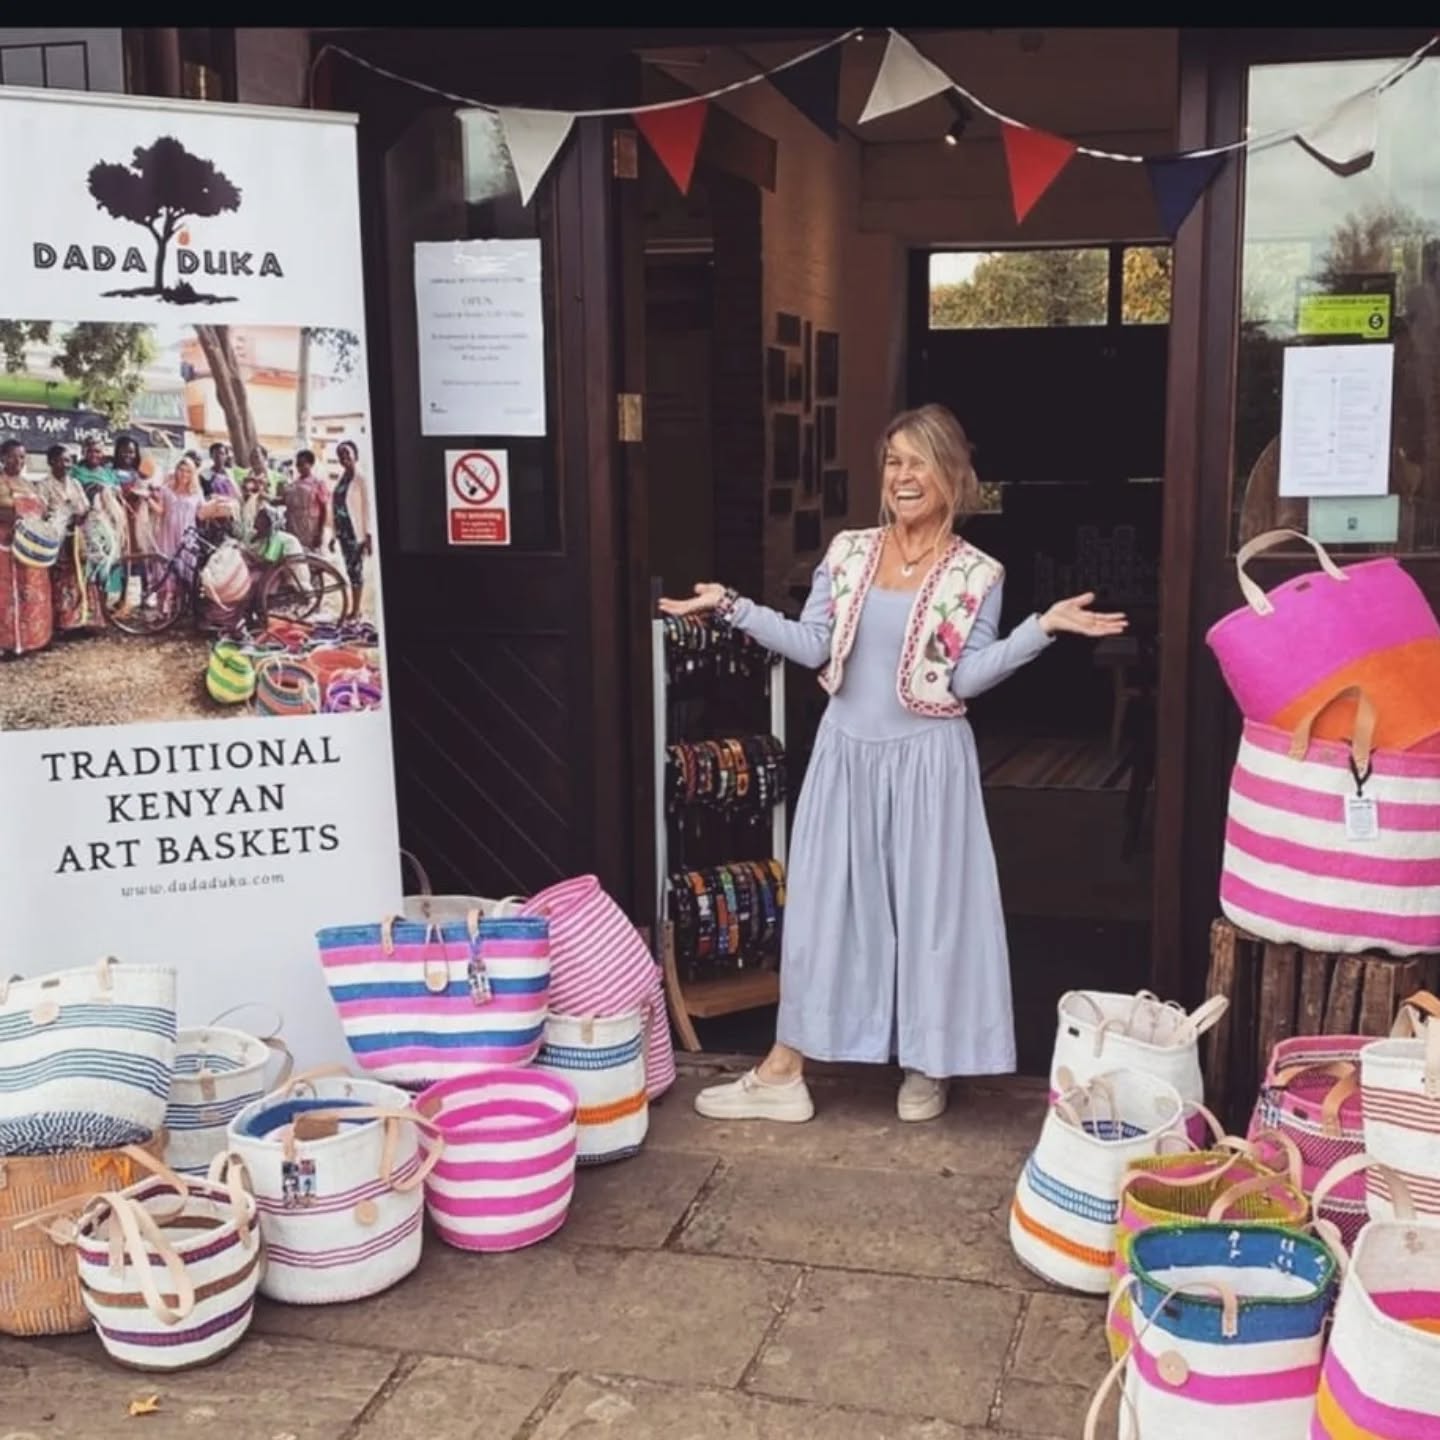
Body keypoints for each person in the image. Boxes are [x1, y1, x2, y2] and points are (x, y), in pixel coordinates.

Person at [660, 404, 1127, 1125]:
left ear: (953, 475)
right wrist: (732, 607)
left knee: (930, 911)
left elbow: (965, 677)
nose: (903, 476)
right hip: (846, 755)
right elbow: (813, 644)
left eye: (919, 462)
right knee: (823, 910)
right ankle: (785, 1069)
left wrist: (1040, 630)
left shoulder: (977, 572)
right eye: (893, 462)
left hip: (929, 761)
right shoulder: (849, 552)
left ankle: (928, 1061)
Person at [37, 445, 102, 634]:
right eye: (62, 460)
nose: (66, 465)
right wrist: (62, 517)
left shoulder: (75, 484)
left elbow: (85, 507)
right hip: (57, 540)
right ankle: (64, 623)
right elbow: (42, 512)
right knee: (61, 580)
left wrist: (81, 515)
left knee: (82, 577)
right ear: (51, 462)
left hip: (78, 538)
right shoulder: (43, 486)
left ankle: (84, 620)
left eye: (69, 461)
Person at [0, 440, 55, 656]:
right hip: (8, 545)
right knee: (8, 594)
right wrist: (18, 518)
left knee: (33, 591)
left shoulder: (28, 484)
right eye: (13, 456)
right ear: (3, 458)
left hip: (31, 547)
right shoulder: (2, 482)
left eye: (22, 457)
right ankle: (9, 642)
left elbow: (41, 509)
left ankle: (34, 638)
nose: (18, 461)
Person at [329, 440, 372, 609]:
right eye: (340, 455)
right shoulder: (342, 479)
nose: (344, 458)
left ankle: (356, 610)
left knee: (356, 571)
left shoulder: (361, 479)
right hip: (343, 533)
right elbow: (336, 507)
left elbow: (367, 507)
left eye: (347, 453)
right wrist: (333, 536)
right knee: (349, 569)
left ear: (355, 455)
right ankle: (354, 609)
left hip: (356, 533)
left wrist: (368, 535)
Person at [284, 449, 329, 552]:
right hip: (293, 526)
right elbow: (285, 501)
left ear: (311, 464)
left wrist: (320, 532)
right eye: (298, 464)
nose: (299, 467)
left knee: (310, 556)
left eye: (303, 464)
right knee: (294, 554)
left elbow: (324, 509)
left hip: (310, 528)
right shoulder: (294, 484)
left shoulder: (318, 483)